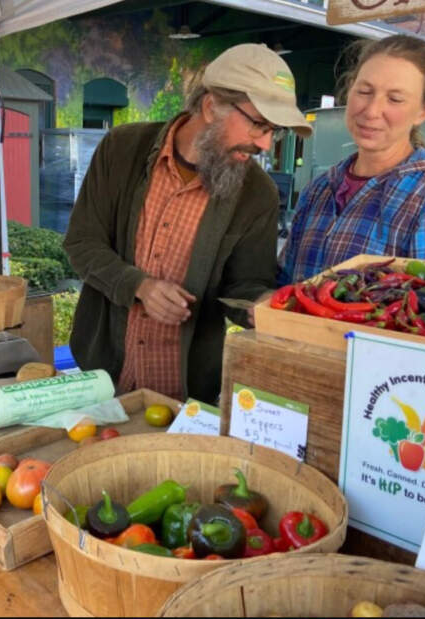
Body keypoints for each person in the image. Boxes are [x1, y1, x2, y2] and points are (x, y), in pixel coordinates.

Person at [64, 44, 312, 403]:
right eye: (258, 124)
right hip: (103, 378)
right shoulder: (122, 148)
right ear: (211, 107)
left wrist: (261, 305)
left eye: (274, 131)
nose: (264, 143)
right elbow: (82, 244)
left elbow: (246, 283)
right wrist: (140, 287)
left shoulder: (258, 193)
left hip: (188, 396)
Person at [278, 34, 425, 285]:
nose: (371, 111)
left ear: (424, 110)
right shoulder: (320, 188)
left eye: (394, 99)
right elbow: (284, 285)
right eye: (364, 91)